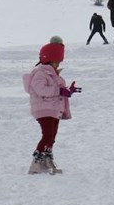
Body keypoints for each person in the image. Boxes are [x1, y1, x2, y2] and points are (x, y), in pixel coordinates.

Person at [24, 36, 80, 174]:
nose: (58, 66)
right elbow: (41, 90)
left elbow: (57, 91)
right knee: (47, 135)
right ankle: (36, 161)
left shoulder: (54, 75)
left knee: (52, 136)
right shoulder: (40, 73)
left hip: (54, 110)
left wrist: (67, 91)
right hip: (44, 109)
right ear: (49, 60)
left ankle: (46, 159)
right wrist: (59, 90)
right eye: (56, 63)